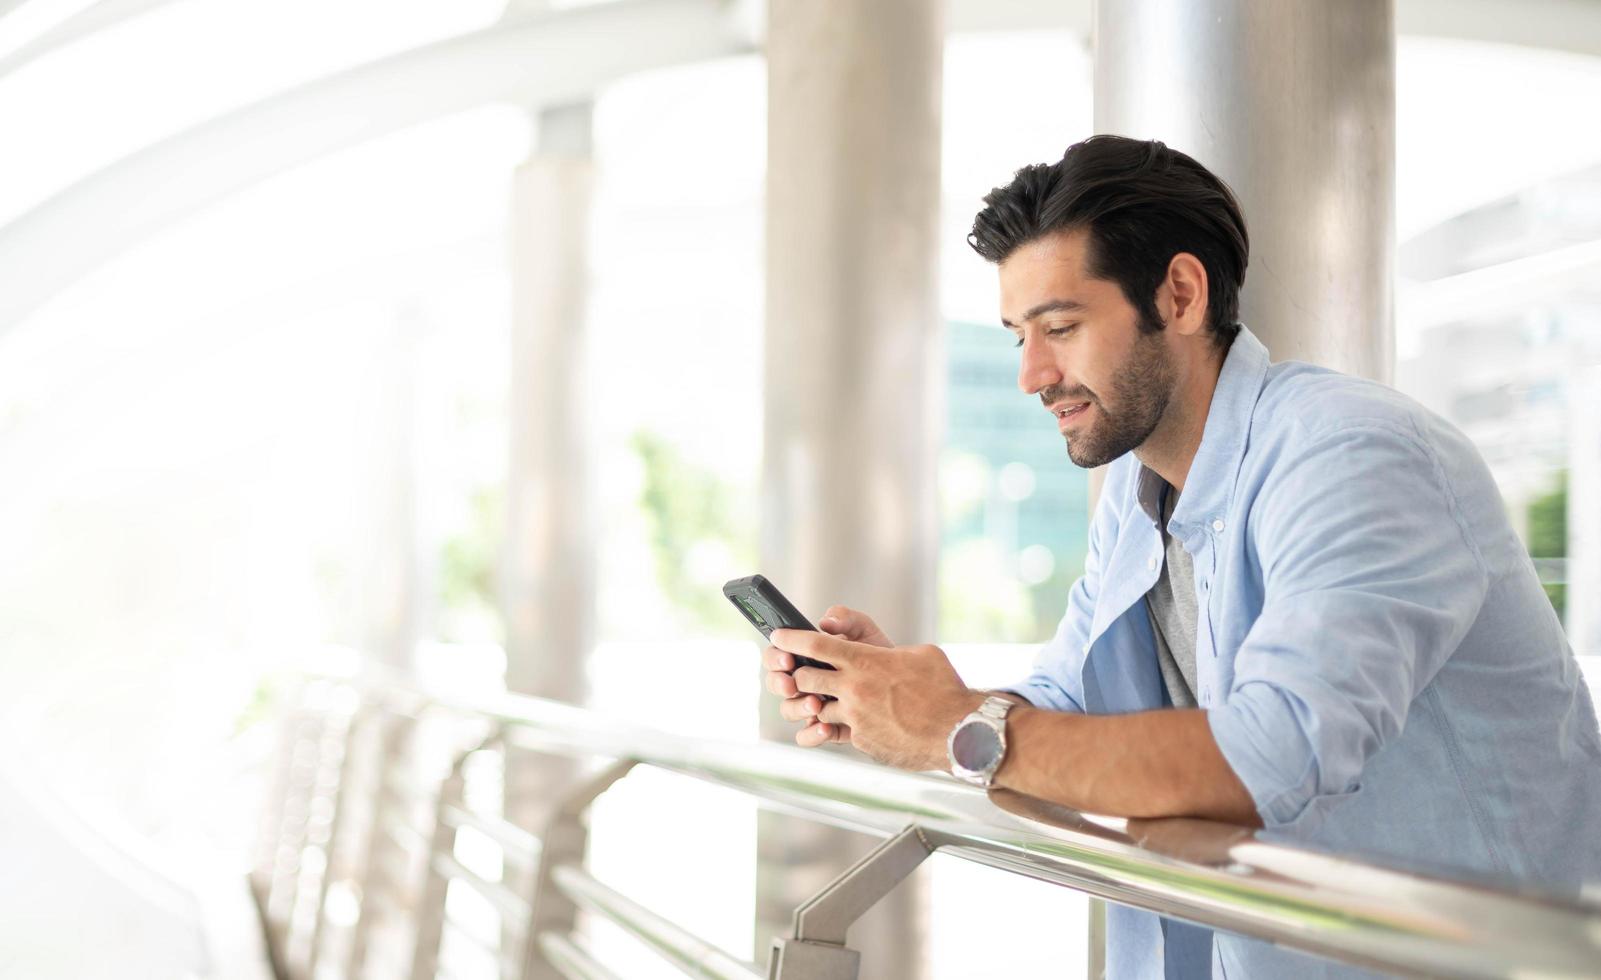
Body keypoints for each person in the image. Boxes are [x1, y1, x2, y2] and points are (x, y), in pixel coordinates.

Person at [761, 135, 1601, 979]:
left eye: (1059, 327)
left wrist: (954, 730)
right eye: (1019, 335)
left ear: (1181, 294)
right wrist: (898, 699)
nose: (1031, 374)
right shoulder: (1139, 495)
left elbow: (1277, 750)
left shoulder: (1353, 455)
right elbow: (1064, 706)